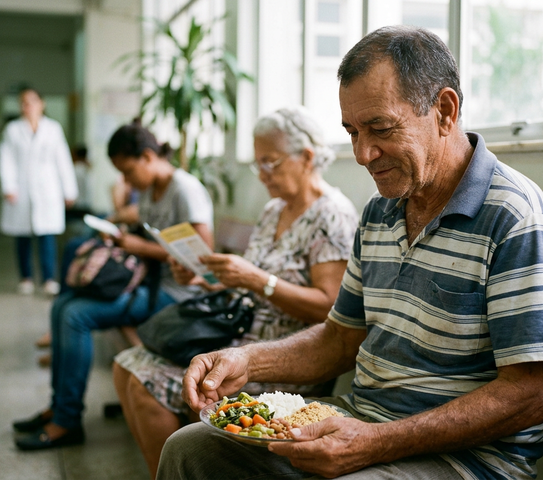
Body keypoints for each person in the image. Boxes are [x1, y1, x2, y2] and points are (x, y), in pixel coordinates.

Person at [159, 26, 543, 480]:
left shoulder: (515, 218)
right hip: (365, 420)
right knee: (191, 449)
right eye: (352, 131)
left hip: (466, 460)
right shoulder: (380, 210)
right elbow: (339, 339)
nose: (362, 153)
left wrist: (374, 443)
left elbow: (528, 396)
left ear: (445, 111)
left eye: (380, 128)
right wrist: (246, 360)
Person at [112, 106, 359, 477]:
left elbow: (330, 308)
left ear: (307, 157)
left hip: (284, 355)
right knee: (127, 364)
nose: (261, 175)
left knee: (144, 385)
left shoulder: (333, 215)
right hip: (238, 334)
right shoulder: (275, 209)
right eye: (257, 164)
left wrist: (258, 280)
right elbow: (247, 280)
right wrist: (201, 275)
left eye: (270, 163)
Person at [12, 118, 214, 451]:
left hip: (178, 295)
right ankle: (59, 404)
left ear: (148, 157)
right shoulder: (151, 190)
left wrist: (140, 248)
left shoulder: (185, 189)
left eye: (128, 171)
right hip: (149, 284)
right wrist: (123, 237)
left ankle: (67, 420)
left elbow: (203, 259)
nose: (126, 180)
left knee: (75, 315)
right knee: (63, 304)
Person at [0, 87, 78, 296]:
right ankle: (25, 278)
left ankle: (49, 279)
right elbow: (6, 159)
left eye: (32, 101)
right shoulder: (13, 129)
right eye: (23, 102)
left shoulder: (53, 129)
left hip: (47, 188)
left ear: (41, 104)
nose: (28, 106)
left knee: (47, 236)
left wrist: (69, 189)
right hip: (21, 188)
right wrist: (9, 185)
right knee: (22, 237)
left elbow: (63, 161)